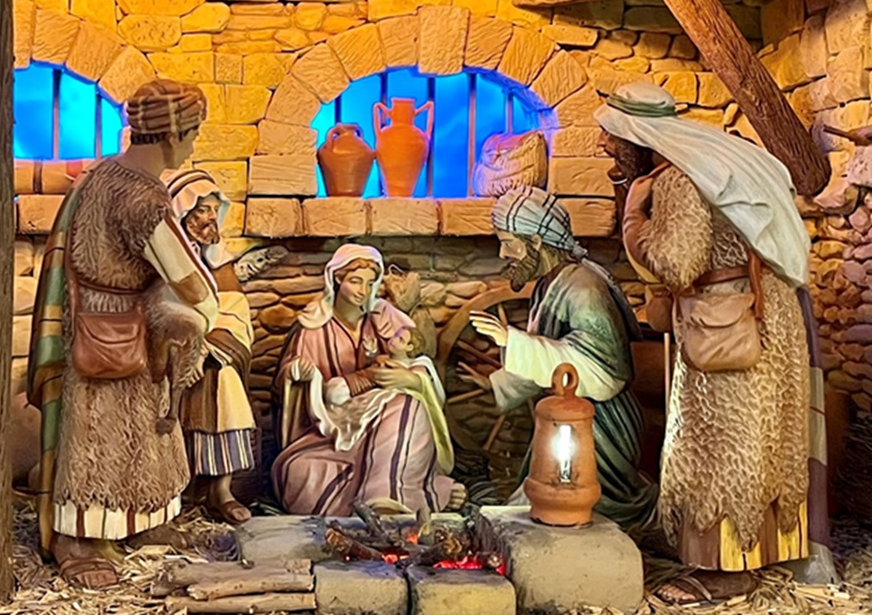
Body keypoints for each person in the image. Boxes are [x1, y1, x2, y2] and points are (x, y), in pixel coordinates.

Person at [596, 81, 832, 603]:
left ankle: (726, 569)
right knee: (763, 440)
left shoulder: (678, 177)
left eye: (611, 136)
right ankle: (760, 550)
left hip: (724, 324)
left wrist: (635, 218)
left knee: (719, 446)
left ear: (637, 136)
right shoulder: (723, 159)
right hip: (767, 318)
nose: (604, 146)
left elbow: (677, 261)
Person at [26, 80, 219, 590]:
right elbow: (186, 276)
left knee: (142, 433)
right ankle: (79, 540)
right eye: (193, 133)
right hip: (112, 331)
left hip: (116, 322)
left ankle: (137, 522)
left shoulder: (103, 174)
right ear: (172, 135)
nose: (193, 145)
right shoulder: (140, 197)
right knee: (98, 438)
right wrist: (205, 307)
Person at [467, 186, 657, 530]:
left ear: (536, 242)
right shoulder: (550, 284)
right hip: (567, 420)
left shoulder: (583, 288)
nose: (503, 252)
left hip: (599, 426)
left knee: (559, 502)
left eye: (509, 243)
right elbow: (549, 361)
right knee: (539, 497)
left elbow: (601, 371)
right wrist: (497, 383)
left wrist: (511, 340)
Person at [272, 244, 461, 517]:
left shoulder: (386, 321)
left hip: (381, 423)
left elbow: (417, 358)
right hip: (329, 432)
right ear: (337, 279)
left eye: (370, 283)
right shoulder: (312, 328)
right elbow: (287, 389)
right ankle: (424, 488)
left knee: (408, 407)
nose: (363, 290)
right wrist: (303, 377)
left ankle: (385, 502)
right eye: (355, 281)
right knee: (300, 473)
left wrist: (413, 380)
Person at [164, 169, 257, 525]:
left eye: (214, 210)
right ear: (182, 212)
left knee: (226, 384)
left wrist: (208, 349)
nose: (209, 218)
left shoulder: (217, 259)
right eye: (202, 209)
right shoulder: (164, 255)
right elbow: (157, 305)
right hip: (167, 352)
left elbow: (234, 307)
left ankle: (221, 490)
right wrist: (186, 347)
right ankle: (169, 491)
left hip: (210, 351)